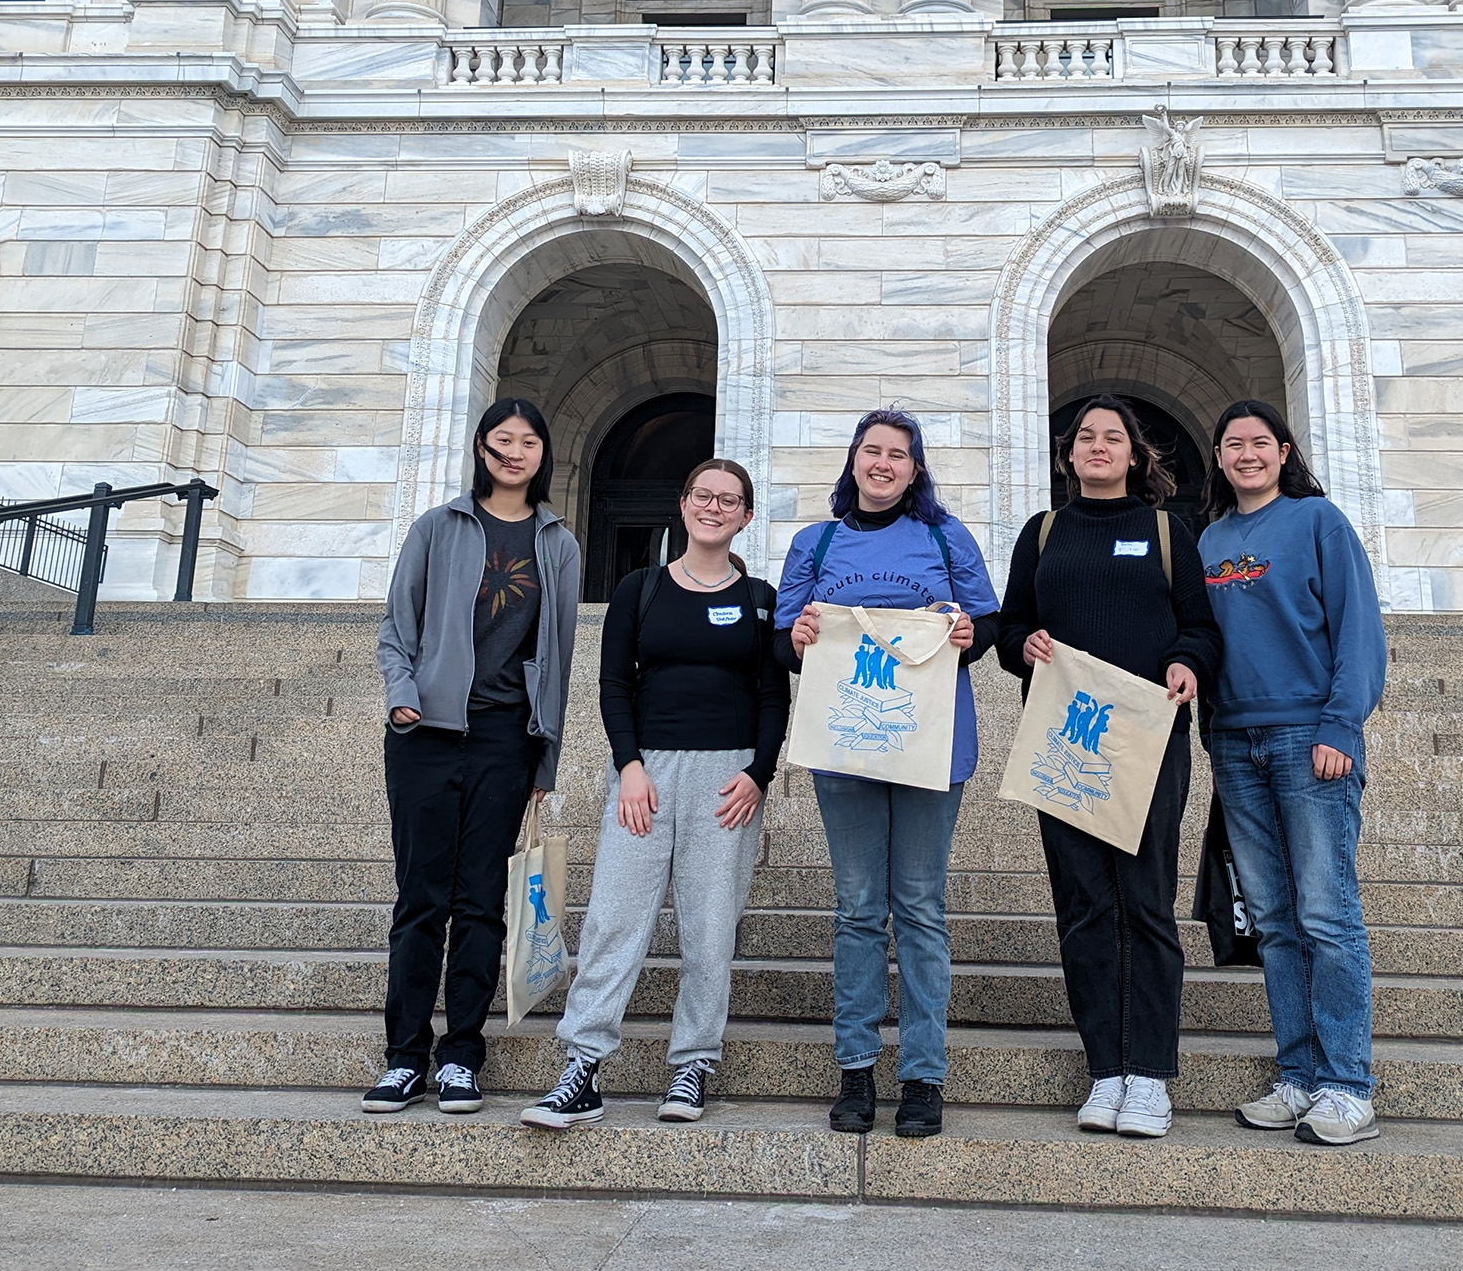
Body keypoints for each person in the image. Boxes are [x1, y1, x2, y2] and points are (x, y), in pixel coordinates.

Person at [522, 459, 789, 1130]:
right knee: (615, 919)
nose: (714, 507)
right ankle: (582, 1068)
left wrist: (759, 773)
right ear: (683, 502)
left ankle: (693, 1065)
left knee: (707, 930)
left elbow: (770, 695)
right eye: (703, 494)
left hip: (727, 779)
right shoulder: (641, 588)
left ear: (746, 517)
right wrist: (630, 765)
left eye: (729, 500)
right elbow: (615, 684)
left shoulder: (760, 597)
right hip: (646, 775)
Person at [997, 395, 1219, 1140]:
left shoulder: (1165, 530)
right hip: (1066, 741)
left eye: (1112, 437)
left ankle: (1150, 1075)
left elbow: (1200, 628)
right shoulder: (1044, 532)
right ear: (1069, 456)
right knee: (1086, 906)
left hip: (1148, 740)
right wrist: (1022, 642)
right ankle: (1106, 1070)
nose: (1098, 446)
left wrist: (1187, 662)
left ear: (1134, 456)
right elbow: (1009, 626)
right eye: (1085, 437)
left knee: (1147, 904)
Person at [776, 409, 1000, 1139]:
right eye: (871, 451)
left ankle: (924, 1077)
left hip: (932, 745)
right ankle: (856, 1073)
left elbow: (985, 627)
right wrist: (801, 635)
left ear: (914, 468)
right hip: (845, 746)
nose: (883, 464)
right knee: (860, 909)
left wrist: (968, 635)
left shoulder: (946, 536)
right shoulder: (816, 541)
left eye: (897, 455)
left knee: (922, 908)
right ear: (853, 461)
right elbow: (784, 641)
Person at [368, 397, 582, 1113]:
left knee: (481, 900)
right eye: (501, 441)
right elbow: (398, 624)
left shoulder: (558, 544)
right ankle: (403, 1058)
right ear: (480, 449)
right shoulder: (438, 527)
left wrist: (544, 763)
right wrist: (404, 694)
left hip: (504, 738)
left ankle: (461, 1053)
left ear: (542, 454)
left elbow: (558, 659)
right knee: (421, 898)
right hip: (425, 734)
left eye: (527, 442)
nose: (514, 453)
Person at [1197, 398, 1387, 1146]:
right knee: (1274, 921)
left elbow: (1359, 628)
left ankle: (1347, 1084)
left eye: (1259, 442)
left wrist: (1341, 722)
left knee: (1326, 914)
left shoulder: (1318, 522)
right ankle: (1300, 1075)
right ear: (1218, 458)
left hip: (1312, 736)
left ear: (1282, 452)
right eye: (1232, 443)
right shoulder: (1210, 539)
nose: (1246, 454)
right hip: (1237, 744)